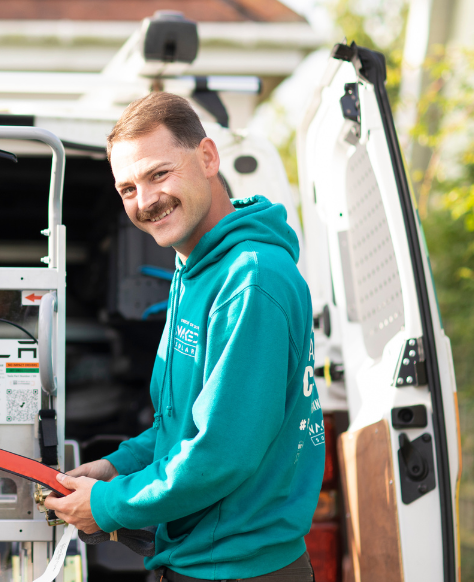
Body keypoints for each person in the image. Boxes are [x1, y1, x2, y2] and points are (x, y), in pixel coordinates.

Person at [45, 92, 322, 581]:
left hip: (238, 570)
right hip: (200, 561)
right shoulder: (194, 269)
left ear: (208, 157)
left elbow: (220, 454)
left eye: (158, 174)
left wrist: (109, 505)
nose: (146, 201)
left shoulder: (252, 279)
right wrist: (113, 468)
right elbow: (182, 427)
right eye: (128, 188)